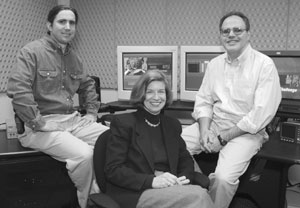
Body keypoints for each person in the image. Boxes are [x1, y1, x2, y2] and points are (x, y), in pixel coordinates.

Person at [6, 5, 108, 208]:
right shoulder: (31, 52)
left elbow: (87, 85)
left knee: (114, 140)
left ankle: (100, 188)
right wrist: (39, 122)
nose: (68, 27)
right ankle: (87, 202)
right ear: (49, 25)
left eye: (72, 23)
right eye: (62, 21)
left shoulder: (75, 58)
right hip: (39, 125)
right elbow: (19, 89)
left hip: (72, 121)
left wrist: (92, 112)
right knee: (84, 154)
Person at [181, 11, 282, 208]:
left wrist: (222, 138)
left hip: (246, 132)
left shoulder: (264, 65)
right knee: (173, 145)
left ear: (248, 34)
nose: (231, 34)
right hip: (214, 126)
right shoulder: (215, 65)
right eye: (226, 31)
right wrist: (204, 131)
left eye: (237, 30)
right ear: (220, 36)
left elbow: (259, 116)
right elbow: (203, 101)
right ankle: (198, 192)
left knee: (223, 179)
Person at [104, 70, 214, 208]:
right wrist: (152, 181)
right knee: (199, 196)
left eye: (161, 92)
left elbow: (185, 159)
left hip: (170, 186)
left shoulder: (171, 124)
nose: (156, 97)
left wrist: (183, 178)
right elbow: (113, 170)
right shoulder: (124, 123)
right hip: (136, 191)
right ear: (141, 94)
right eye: (150, 92)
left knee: (197, 195)